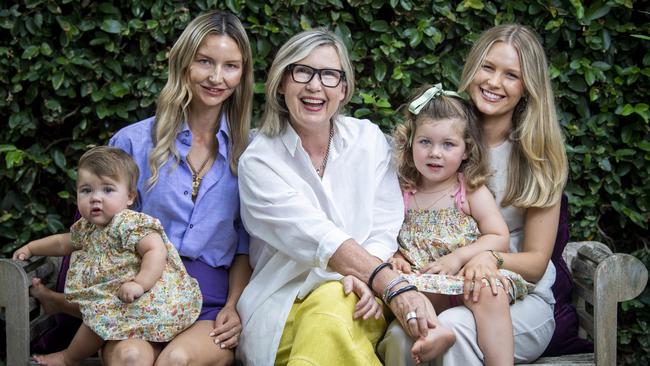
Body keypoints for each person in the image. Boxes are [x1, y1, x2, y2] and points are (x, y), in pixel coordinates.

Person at [28, 10, 254, 366]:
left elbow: (246, 243)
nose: (216, 77)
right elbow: (92, 229)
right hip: (134, 294)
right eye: (204, 62)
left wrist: (233, 306)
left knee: (175, 360)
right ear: (183, 64)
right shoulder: (133, 142)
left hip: (209, 301)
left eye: (231, 66)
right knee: (132, 358)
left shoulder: (250, 154)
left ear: (243, 74)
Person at [236, 28, 438, 366]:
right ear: (281, 83)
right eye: (302, 72)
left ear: (343, 89)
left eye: (330, 75)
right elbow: (315, 236)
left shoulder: (368, 139)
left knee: (334, 304)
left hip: (362, 297)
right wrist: (385, 282)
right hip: (284, 306)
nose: (315, 86)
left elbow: (385, 224)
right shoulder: (259, 161)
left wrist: (363, 280)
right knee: (329, 320)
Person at [379, 24, 568, 365]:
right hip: (442, 285)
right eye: (488, 67)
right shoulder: (441, 131)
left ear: (528, 87)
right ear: (472, 68)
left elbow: (537, 263)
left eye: (511, 75)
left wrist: (486, 258)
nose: (495, 82)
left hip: (513, 295)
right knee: (398, 335)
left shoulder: (537, 156)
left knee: (453, 331)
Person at [13, 146, 202, 366]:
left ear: (130, 196)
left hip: (154, 301)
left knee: (101, 314)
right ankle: (57, 307)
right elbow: (62, 242)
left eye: (107, 190)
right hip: (127, 302)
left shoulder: (128, 223)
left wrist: (139, 283)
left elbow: (155, 250)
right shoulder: (88, 228)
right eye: (86, 190)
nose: (95, 198)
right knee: (101, 306)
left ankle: (68, 358)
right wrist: (31, 247)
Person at [387, 84, 534, 365]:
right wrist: (396, 257)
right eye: (425, 142)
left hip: (466, 275)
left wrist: (459, 258)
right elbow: (385, 235)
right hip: (427, 281)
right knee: (408, 297)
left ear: (466, 150)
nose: (435, 153)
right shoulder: (403, 191)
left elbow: (498, 235)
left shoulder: (468, 190)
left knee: (492, 291)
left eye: (448, 144)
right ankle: (436, 332)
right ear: (410, 143)